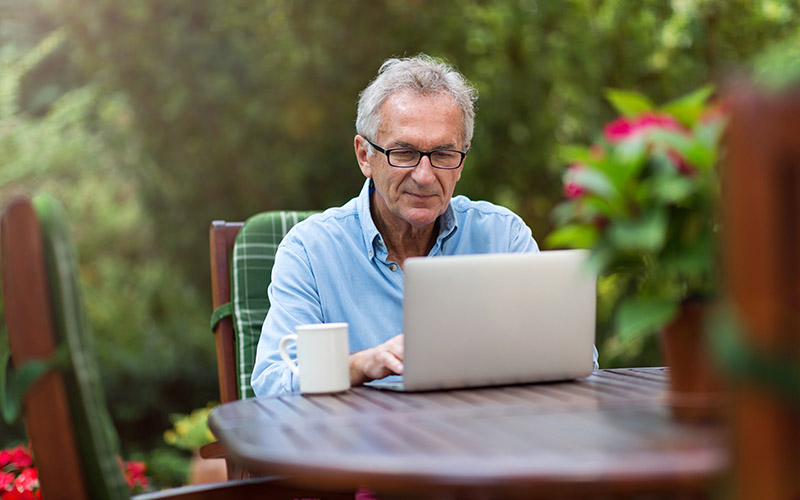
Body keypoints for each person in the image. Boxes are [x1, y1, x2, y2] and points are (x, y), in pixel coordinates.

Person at [251, 54, 540, 396]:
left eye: (444, 155)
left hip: (480, 439)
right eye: (403, 153)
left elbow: (574, 358)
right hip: (360, 445)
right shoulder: (311, 251)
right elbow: (273, 385)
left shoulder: (503, 237)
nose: (424, 176)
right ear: (364, 156)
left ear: (462, 160)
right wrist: (359, 366)